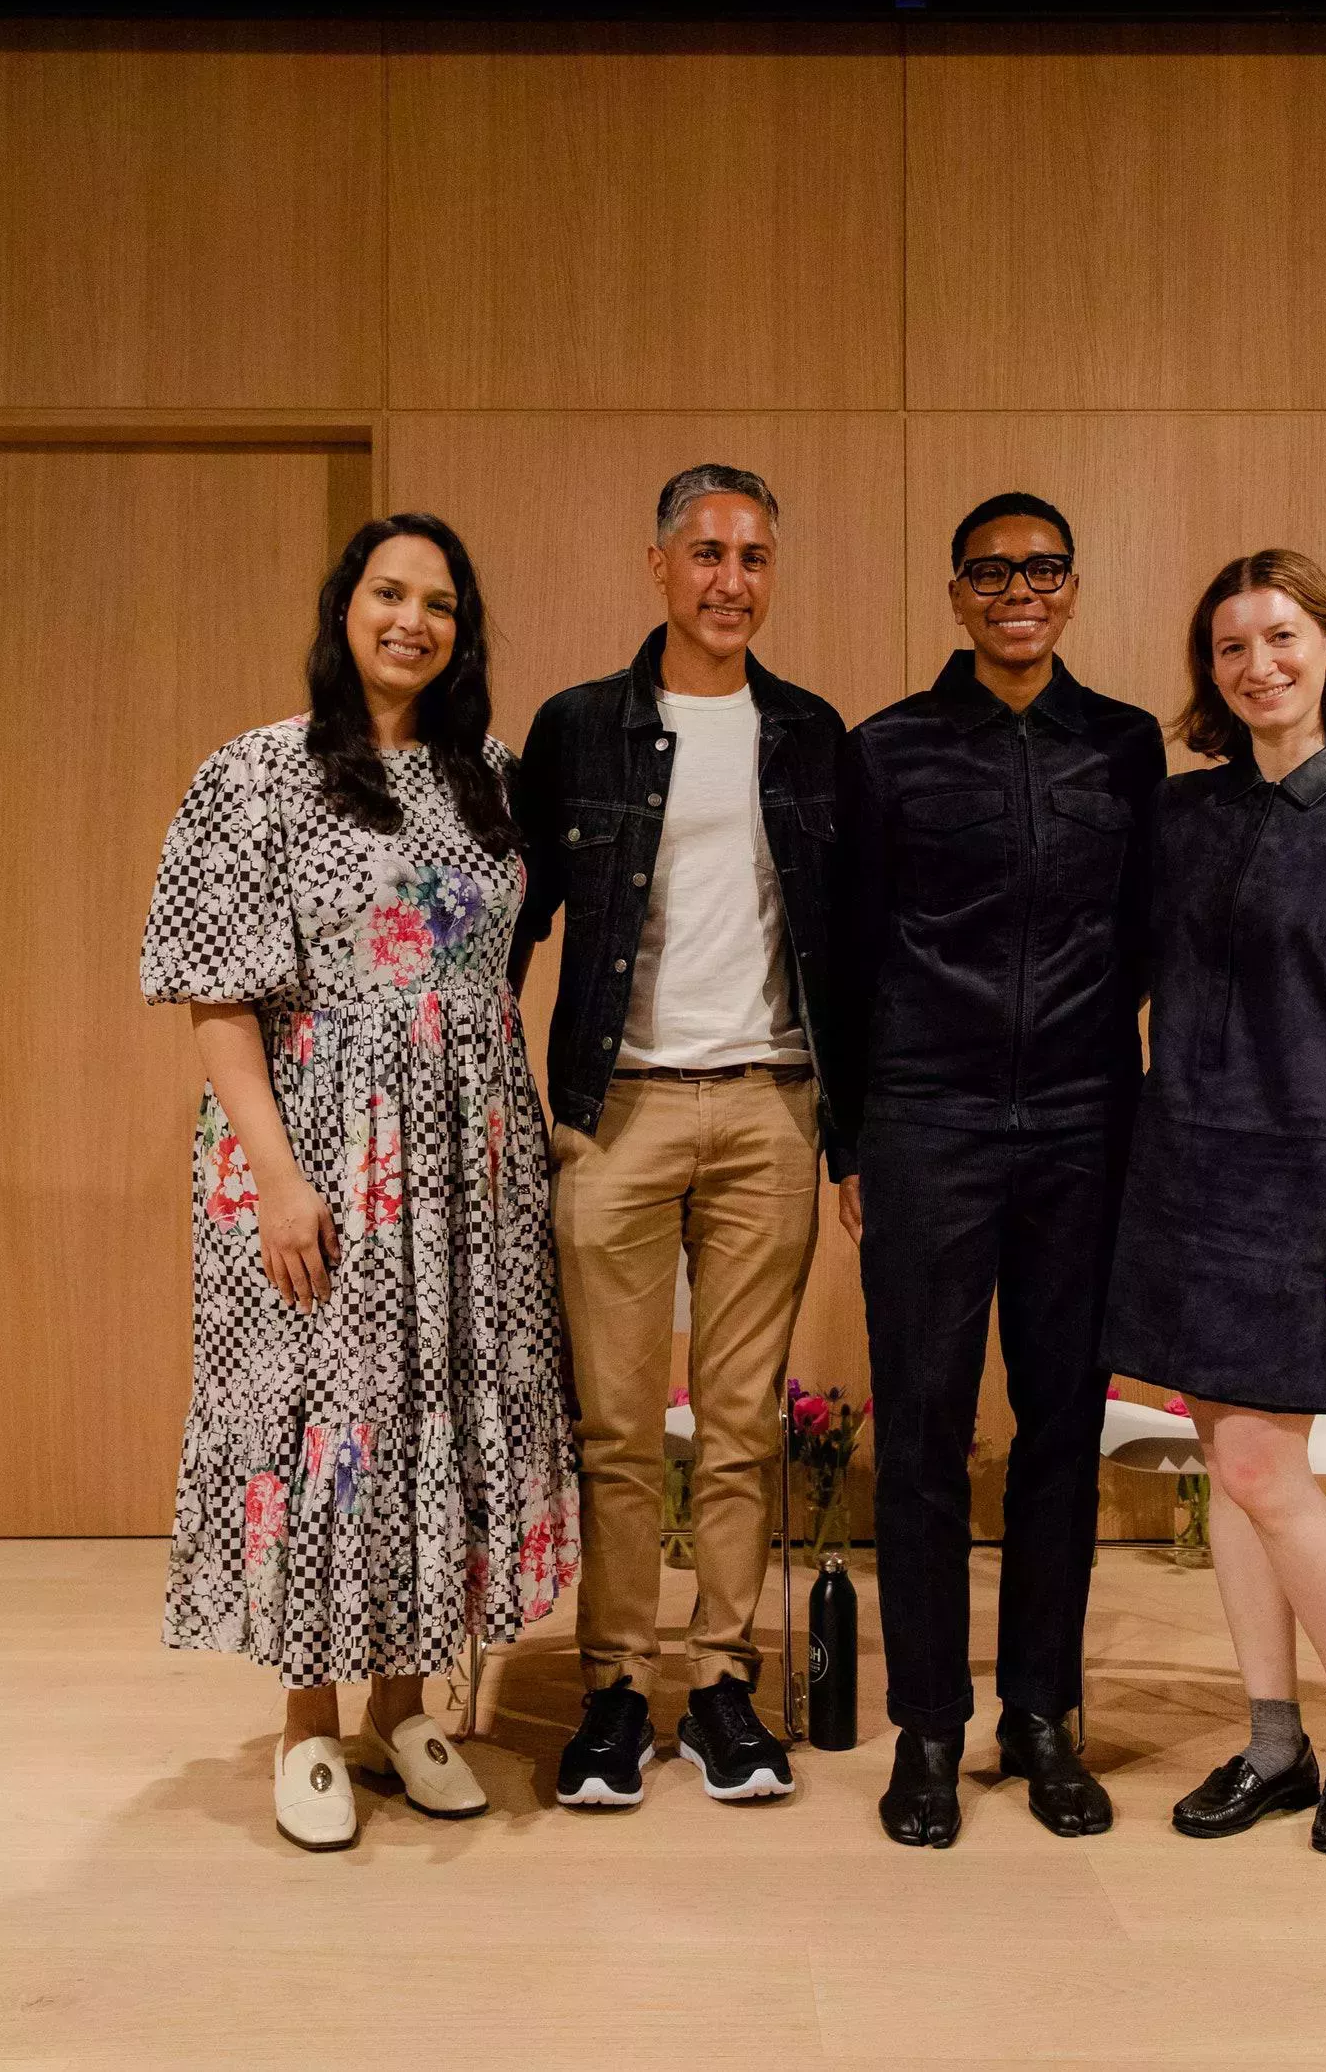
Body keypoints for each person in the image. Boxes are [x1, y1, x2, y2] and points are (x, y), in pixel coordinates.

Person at [141, 513, 578, 1852]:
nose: (412, 619)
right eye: (389, 592)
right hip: (317, 1153)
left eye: (439, 601)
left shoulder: (490, 776)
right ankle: (309, 1721)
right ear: (347, 608)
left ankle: (405, 1705)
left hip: (467, 1167)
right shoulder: (260, 774)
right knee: (325, 1430)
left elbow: (487, 972)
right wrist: (278, 1177)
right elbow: (216, 997)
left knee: (435, 1419)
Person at [1102, 549, 1326, 1857]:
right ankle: (1273, 1739)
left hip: (1313, 1178)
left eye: (1283, 635)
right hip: (1180, 1168)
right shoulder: (1182, 817)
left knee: (1259, 1460)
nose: (1258, 663)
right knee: (1233, 1463)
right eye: (1231, 646)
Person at [833, 491, 1166, 1848]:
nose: (1018, 590)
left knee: (1061, 1435)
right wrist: (852, 1135)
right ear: (958, 593)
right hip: (928, 1120)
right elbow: (846, 952)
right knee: (920, 1432)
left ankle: (1043, 1715)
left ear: (1073, 590)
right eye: (991, 571)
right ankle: (927, 1725)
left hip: (1085, 1125)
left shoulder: (1124, 744)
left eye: (1042, 569)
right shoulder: (890, 750)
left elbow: (1147, 934)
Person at [511, 463, 845, 1808]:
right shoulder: (580, 727)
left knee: (745, 1417)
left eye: (755, 555)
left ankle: (720, 1684)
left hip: (771, 1103)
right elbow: (515, 923)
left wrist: (857, 1135)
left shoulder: (815, 732)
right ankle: (610, 1688)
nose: (731, 579)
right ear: (657, 564)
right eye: (706, 551)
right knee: (616, 1419)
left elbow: (849, 950)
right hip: (619, 1107)